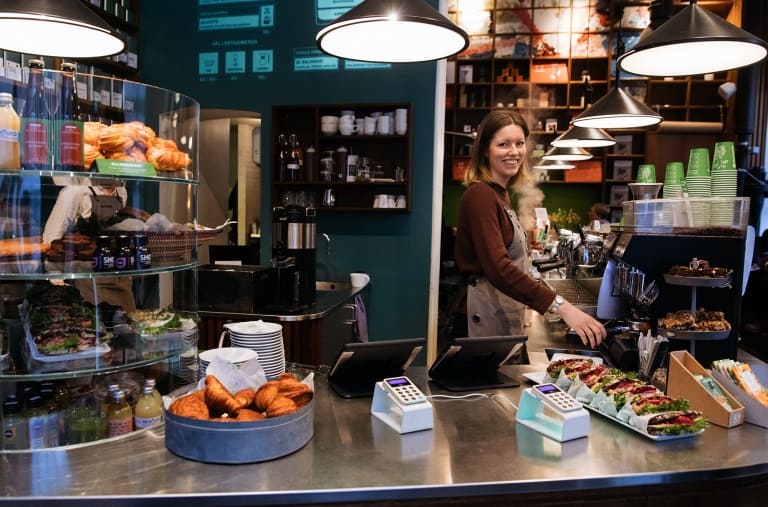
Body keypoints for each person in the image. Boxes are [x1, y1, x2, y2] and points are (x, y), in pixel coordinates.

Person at [450, 110, 606, 348]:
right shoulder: (480, 195)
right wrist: (561, 307)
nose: (514, 152)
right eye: (503, 144)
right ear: (484, 149)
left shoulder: (500, 194)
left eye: (519, 143)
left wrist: (530, 301)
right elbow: (498, 268)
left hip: (496, 309)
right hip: (480, 315)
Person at [43, 181, 136, 311]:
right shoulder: (75, 191)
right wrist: (55, 274)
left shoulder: (121, 191)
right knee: (98, 325)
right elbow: (52, 237)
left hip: (120, 276)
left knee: (128, 322)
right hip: (89, 278)